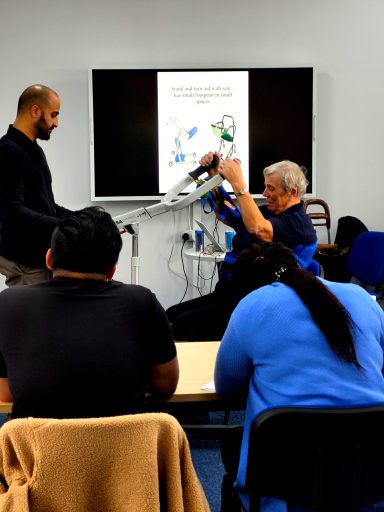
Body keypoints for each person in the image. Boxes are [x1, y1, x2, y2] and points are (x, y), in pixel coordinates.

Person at [214, 241, 384, 512]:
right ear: (299, 265)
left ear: (247, 285)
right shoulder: (363, 297)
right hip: (369, 488)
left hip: (283, 496)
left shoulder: (252, 305)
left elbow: (228, 387)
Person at [0, 206, 179, 419]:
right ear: (112, 270)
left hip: (39, 450)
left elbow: (7, 394)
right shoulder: (141, 301)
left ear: (48, 259)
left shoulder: (8, 303)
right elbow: (166, 385)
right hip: (124, 451)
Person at [166, 152, 317, 340]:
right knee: (169, 316)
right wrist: (214, 176)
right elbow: (228, 214)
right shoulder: (267, 212)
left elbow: (257, 228)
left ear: (292, 192)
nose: (264, 194)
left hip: (254, 306)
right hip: (229, 295)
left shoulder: (299, 224)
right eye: (265, 187)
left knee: (181, 325)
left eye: (270, 188)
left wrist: (238, 183)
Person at [0, 84, 72, 286]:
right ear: (35, 111)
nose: (56, 122)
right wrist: (66, 225)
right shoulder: (7, 152)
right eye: (54, 115)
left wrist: (81, 218)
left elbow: (46, 206)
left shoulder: (35, 151)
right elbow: (12, 212)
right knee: (30, 318)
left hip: (42, 259)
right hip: (25, 264)